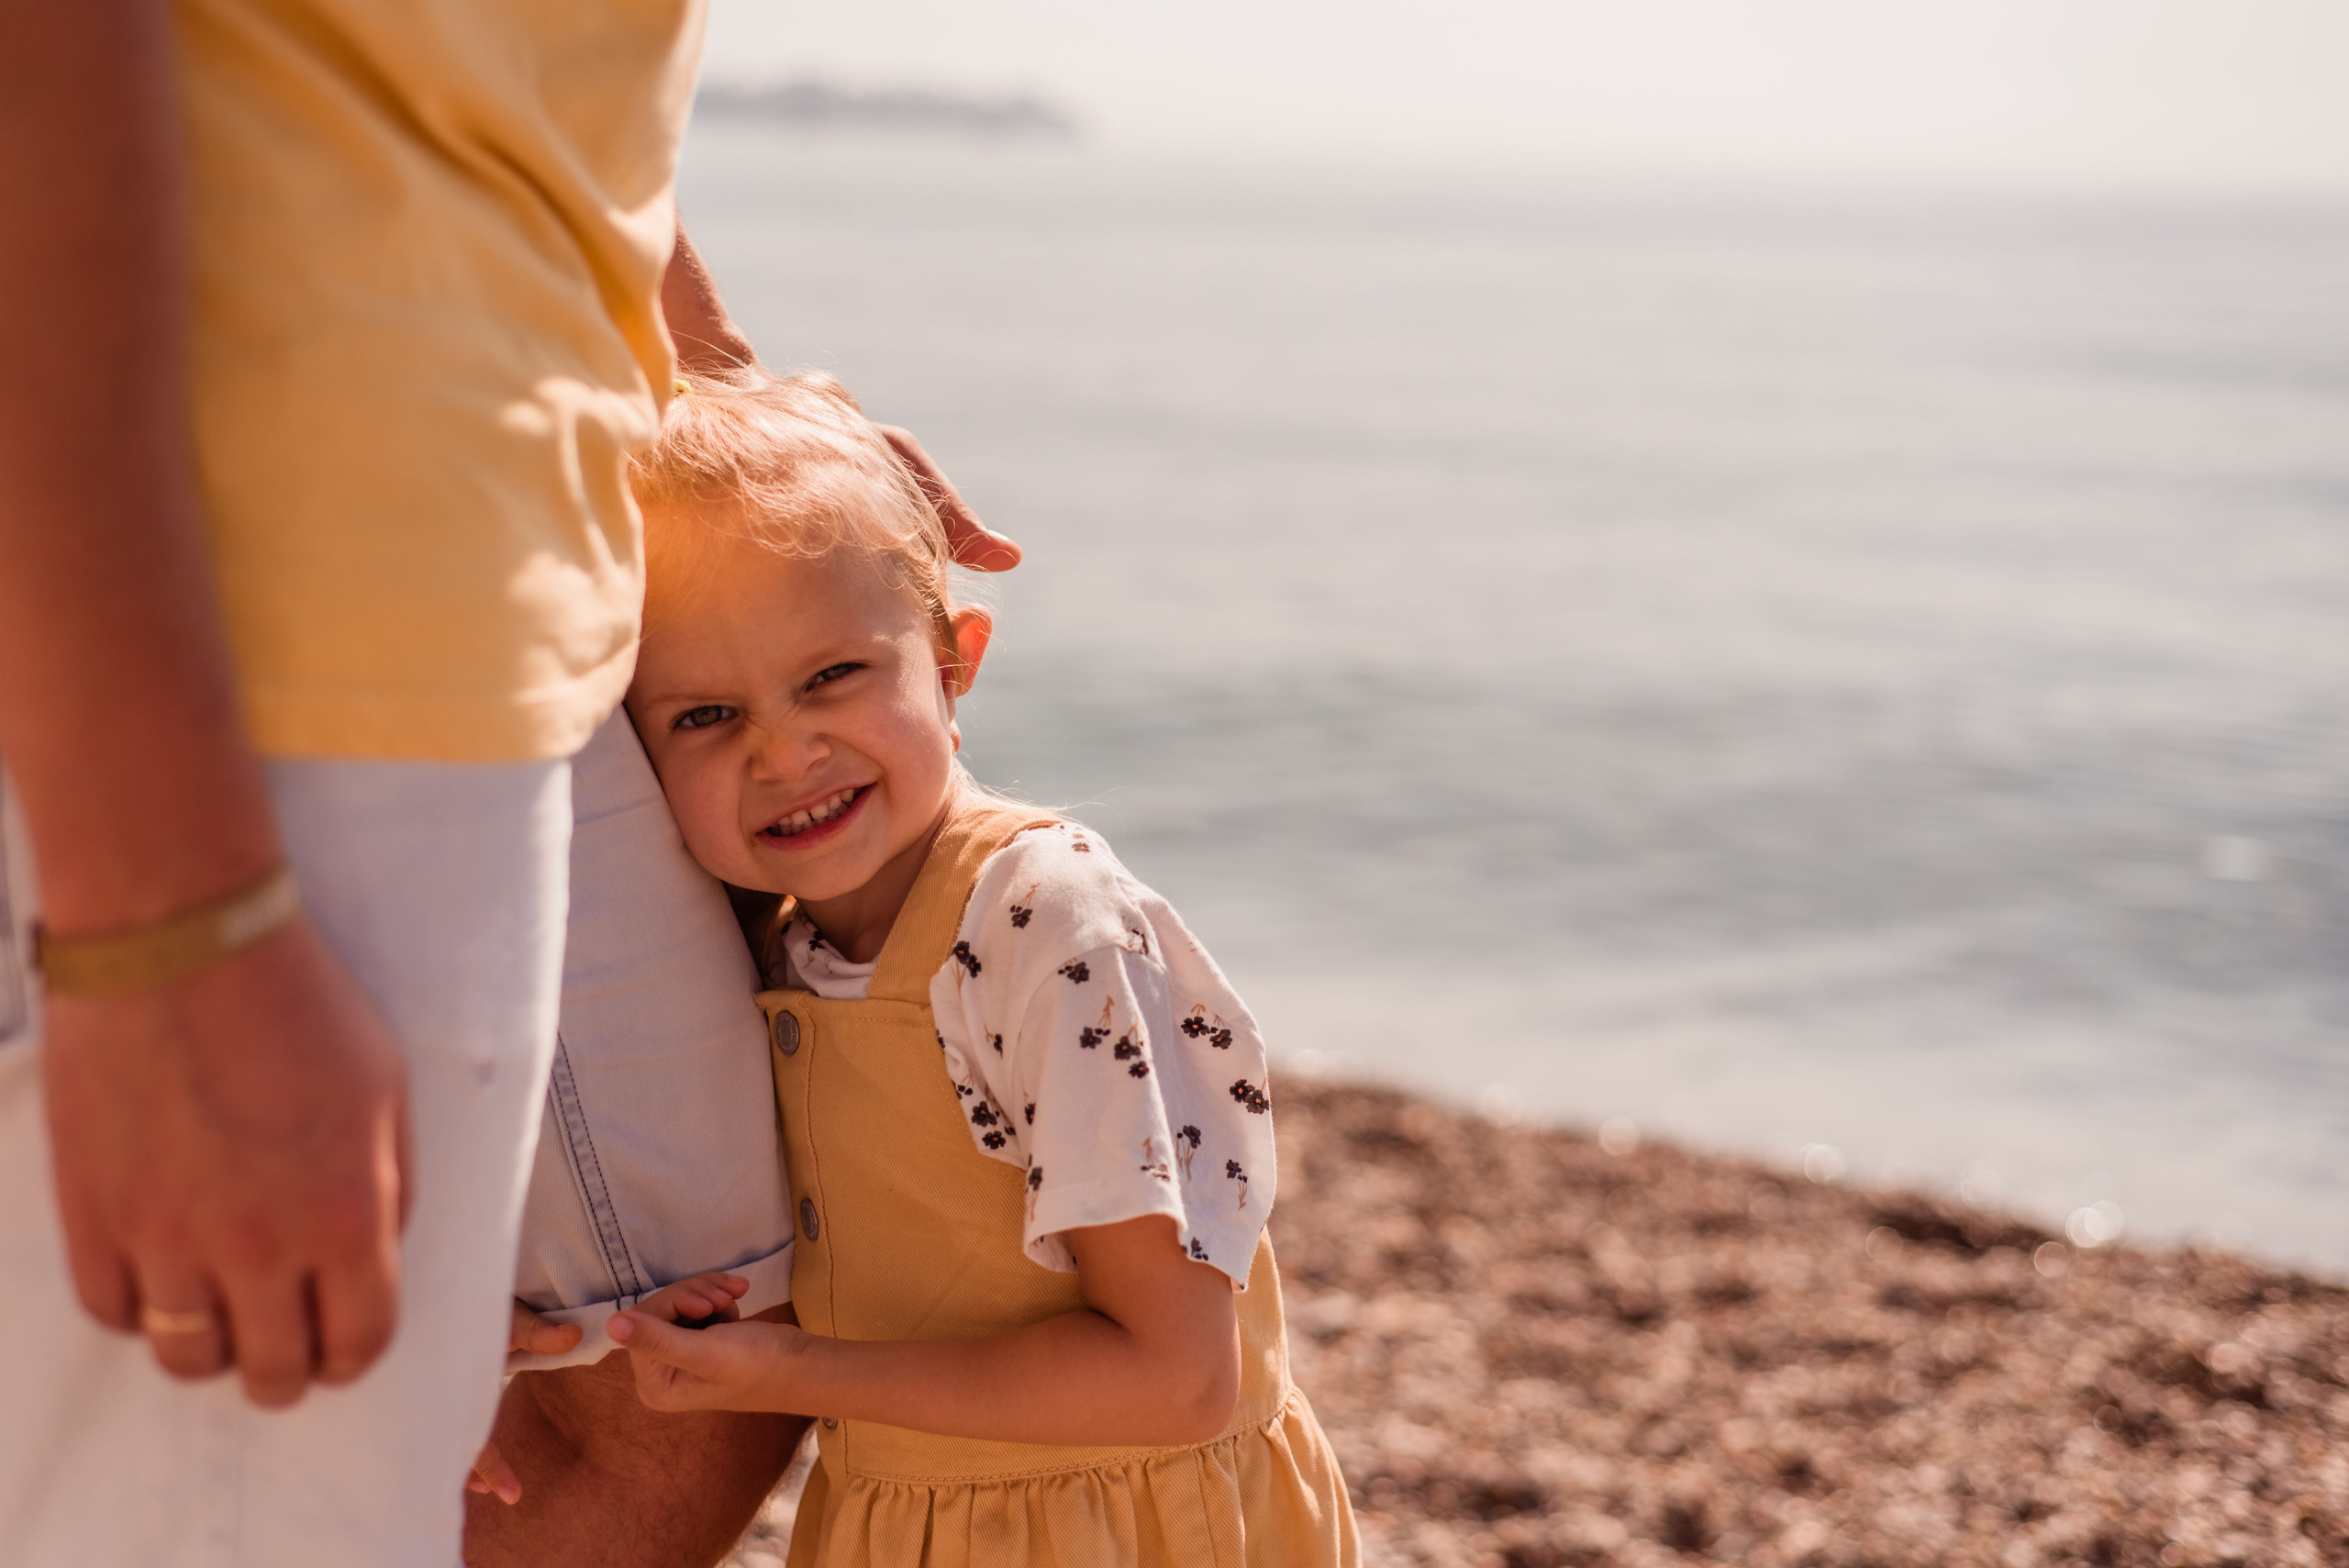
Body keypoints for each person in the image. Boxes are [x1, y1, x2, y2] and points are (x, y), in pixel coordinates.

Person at [0, 6, 1002, 1562]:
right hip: (282, 605)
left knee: (673, 1356)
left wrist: (733, 410)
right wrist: (162, 926)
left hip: (472, 551)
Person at [588, 367, 1361, 1565]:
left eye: (831, 675)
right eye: (703, 716)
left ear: (954, 663)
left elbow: (1178, 1377)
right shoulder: (774, 945)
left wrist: (792, 1370)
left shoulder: (1046, 925)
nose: (784, 752)